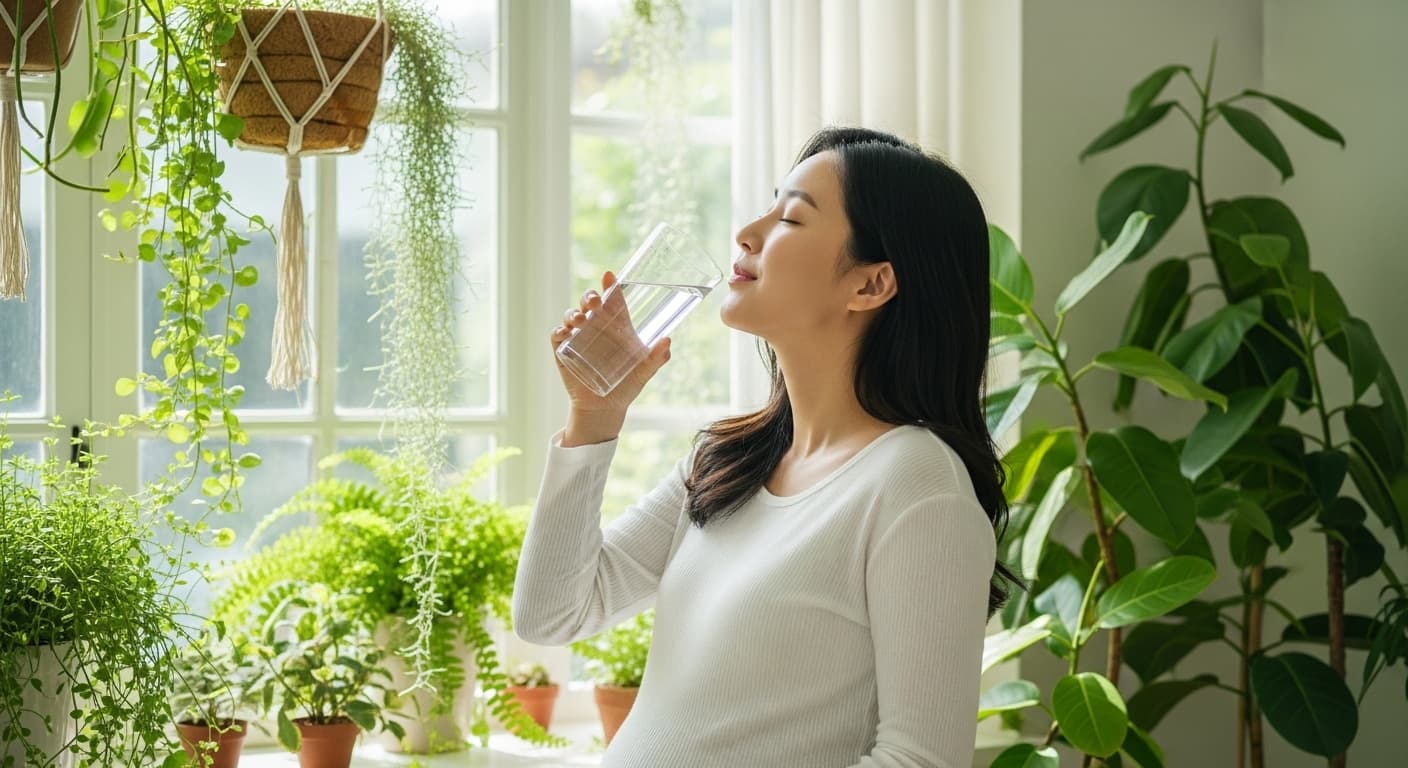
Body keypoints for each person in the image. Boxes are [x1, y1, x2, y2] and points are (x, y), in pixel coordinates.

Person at [513, 126, 1017, 768]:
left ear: (870, 285)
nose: (748, 232)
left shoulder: (915, 484)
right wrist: (595, 413)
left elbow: (920, 761)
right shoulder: (728, 459)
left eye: (792, 218)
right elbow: (552, 616)